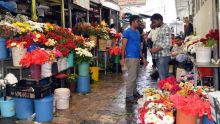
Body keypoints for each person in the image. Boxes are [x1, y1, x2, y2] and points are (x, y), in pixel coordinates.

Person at [121, 15, 148, 103]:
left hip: (136, 56)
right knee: (131, 77)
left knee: (136, 76)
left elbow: (138, 46)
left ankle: (134, 92)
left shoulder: (137, 32)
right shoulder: (127, 32)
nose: (139, 22)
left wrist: (143, 58)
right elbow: (123, 46)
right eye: (137, 21)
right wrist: (122, 58)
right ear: (132, 22)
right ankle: (128, 95)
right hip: (130, 56)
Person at [150, 13, 172, 80]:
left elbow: (168, 43)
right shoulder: (160, 28)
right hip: (160, 56)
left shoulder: (165, 28)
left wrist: (156, 49)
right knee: (162, 76)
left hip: (163, 56)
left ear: (159, 20)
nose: (154, 24)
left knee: (163, 77)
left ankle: (164, 90)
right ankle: (164, 89)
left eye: (154, 22)